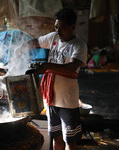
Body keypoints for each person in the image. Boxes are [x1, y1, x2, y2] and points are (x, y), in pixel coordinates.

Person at [16, 8, 87, 150]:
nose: (58, 31)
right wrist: (22, 48)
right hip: (50, 99)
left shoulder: (78, 45)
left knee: (70, 141)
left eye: (63, 28)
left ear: (73, 26)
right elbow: (36, 42)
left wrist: (48, 66)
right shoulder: (54, 37)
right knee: (56, 137)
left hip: (67, 101)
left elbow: (72, 67)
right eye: (56, 27)